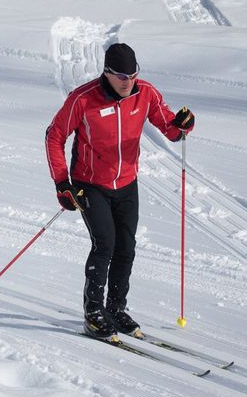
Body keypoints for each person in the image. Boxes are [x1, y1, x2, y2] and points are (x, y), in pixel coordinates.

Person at [45, 43, 195, 339]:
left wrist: (182, 125)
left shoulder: (145, 93)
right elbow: (54, 135)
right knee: (105, 245)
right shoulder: (83, 99)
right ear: (108, 73)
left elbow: (170, 127)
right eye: (122, 76)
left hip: (126, 182)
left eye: (134, 75)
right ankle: (93, 313)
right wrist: (62, 184)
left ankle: (115, 308)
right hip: (90, 184)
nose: (129, 81)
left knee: (126, 247)